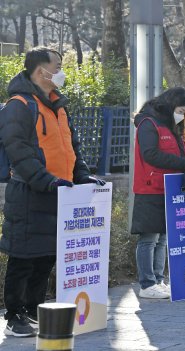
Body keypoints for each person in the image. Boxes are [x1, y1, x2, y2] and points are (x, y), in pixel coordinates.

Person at [0, 47, 105, 337]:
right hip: (30, 194)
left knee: (46, 256)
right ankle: (14, 315)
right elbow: (18, 150)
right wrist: (45, 180)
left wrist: (81, 175)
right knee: (23, 256)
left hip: (60, 194)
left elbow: (73, 147)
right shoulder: (18, 105)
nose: (61, 71)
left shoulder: (57, 105)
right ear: (40, 71)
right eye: (57, 66)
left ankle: (35, 308)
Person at [131, 87, 185, 299]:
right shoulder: (148, 123)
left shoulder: (172, 126)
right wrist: (182, 163)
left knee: (162, 238)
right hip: (150, 188)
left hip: (169, 188)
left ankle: (158, 280)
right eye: (180, 110)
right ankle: (146, 283)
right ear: (170, 105)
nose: (181, 115)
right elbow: (150, 154)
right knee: (149, 238)